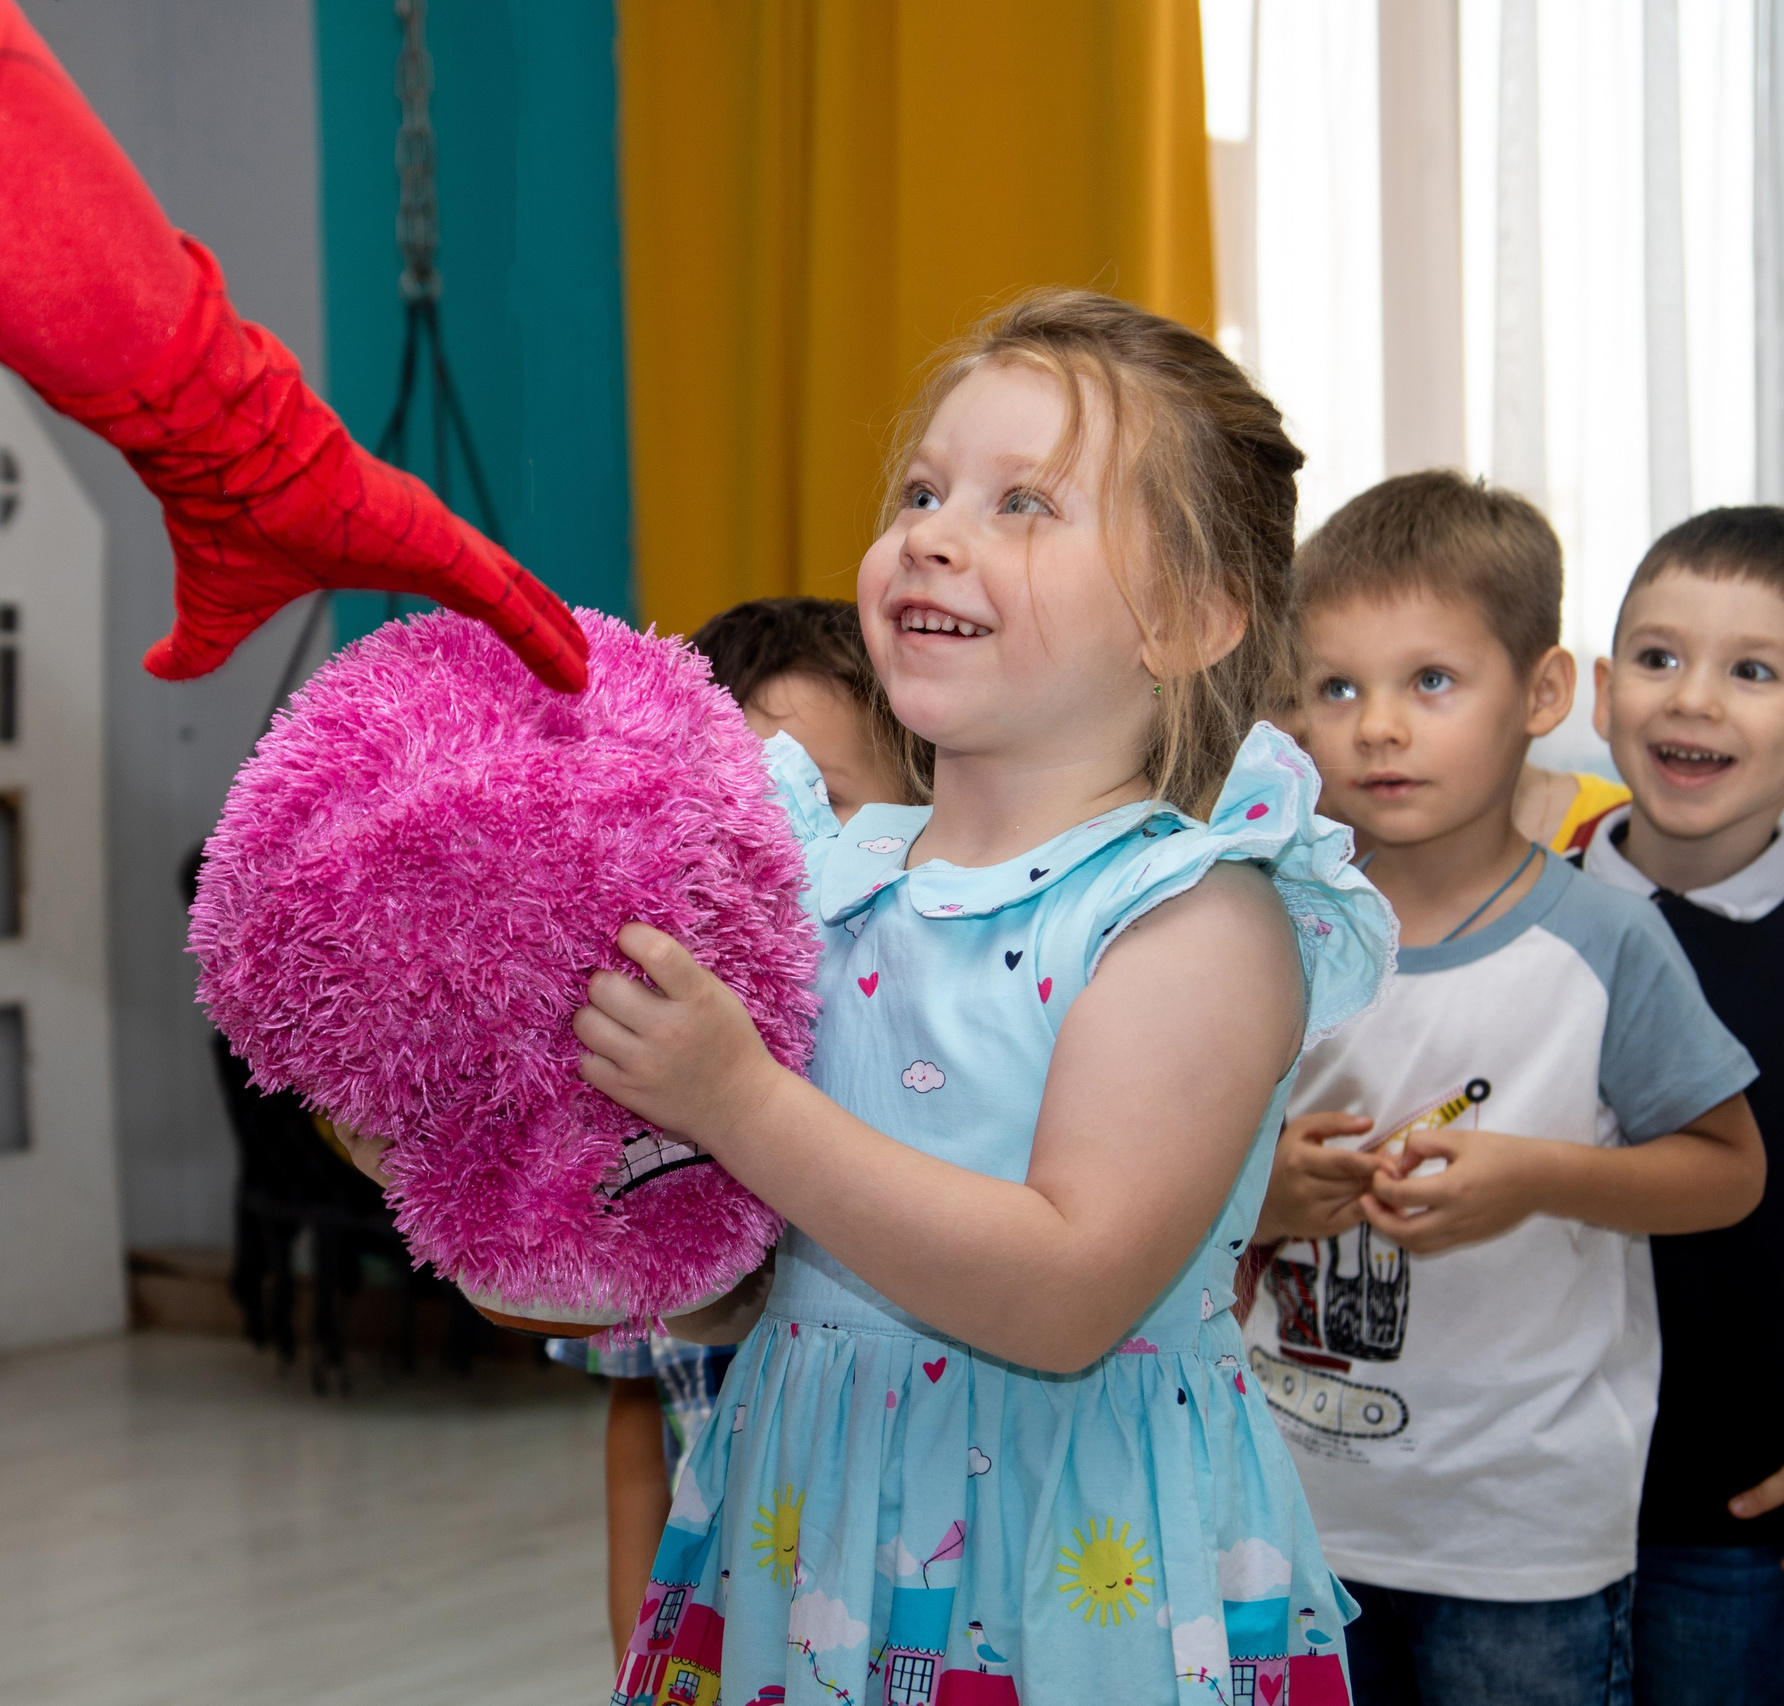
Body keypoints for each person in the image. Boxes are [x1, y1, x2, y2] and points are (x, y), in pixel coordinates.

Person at [565, 288, 1396, 1702]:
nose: (935, 531)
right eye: (923, 489)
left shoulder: (1196, 915)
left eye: (1025, 504)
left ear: (1188, 617)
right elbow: (773, 1260)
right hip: (800, 1526)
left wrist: (738, 1101)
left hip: (1064, 1572)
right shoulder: (837, 879)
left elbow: (1068, 1292)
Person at [1245, 470, 1765, 1706]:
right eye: (1337, 687)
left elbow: (1729, 1172)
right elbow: (1176, 1175)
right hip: (1286, 1509)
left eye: (1431, 681)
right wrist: (1265, 1189)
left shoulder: (1605, 943)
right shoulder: (1262, 932)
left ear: (1540, 693)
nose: (1377, 726)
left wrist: (1536, 1175)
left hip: (1523, 1539)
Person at [550, 596, 920, 1667]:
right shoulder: (638, 1106)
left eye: (820, 806)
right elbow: (634, 1418)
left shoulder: (920, 1078)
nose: (772, 853)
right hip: (724, 1606)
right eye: (734, 815)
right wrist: (640, 1645)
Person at [1574, 507, 1784, 1706]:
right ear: (1603, 693)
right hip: (1522, 1492)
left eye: (1751, 670)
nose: (1691, 698)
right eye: (1658, 658)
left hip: (1739, 1501)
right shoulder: (1524, 920)